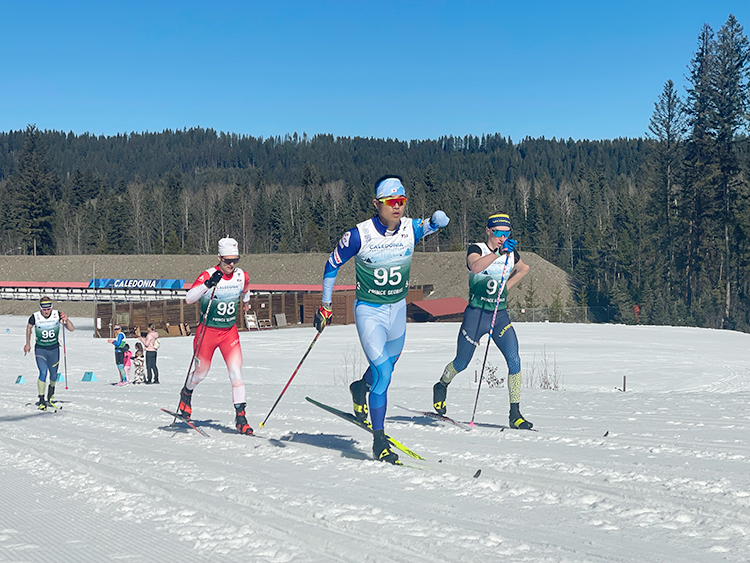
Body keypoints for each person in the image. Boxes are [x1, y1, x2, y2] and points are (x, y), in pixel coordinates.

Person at [314, 175, 449, 464]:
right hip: (370, 312)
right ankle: (379, 439)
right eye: (391, 202)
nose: (397, 207)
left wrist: (438, 221)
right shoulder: (359, 235)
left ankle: (359, 388)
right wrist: (325, 305)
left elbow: (429, 225)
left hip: (397, 310)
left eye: (401, 201)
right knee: (384, 374)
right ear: (377, 204)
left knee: (384, 370)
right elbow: (332, 264)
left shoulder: (410, 228)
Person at [432, 213, 533, 429]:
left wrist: (504, 288)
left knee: (515, 360)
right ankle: (441, 385)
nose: (502, 238)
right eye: (498, 233)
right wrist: (497, 253)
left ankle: (515, 414)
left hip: (499, 315)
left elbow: (523, 269)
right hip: (476, 316)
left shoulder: (509, 251)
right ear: (488, 231)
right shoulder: (476, 248)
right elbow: (475, 267)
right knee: (462, 362)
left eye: (506, 234)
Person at [177, 237, 253, 434]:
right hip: (207, 332)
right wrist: (208, 285)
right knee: (201, 373)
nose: (231, 264)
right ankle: (186, 393)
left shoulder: (241, 276)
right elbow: (189, 298)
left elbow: (246, 290)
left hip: (229, 332)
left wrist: (246, 302)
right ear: (219, 257)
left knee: (236, 374)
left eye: (235, 260)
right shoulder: (208, 275)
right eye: (227, 260)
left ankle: (241, 417)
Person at [23, 296, 75, 410]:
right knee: (43, 372)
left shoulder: (57, 314)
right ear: (40, 307)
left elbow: (71, 329)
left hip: (54, 350)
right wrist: (28, 343)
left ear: (51, 307)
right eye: (44, 308)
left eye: (48, 308)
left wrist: (67, 319)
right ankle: (41, 399)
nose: (46, 311)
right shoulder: (35, 316)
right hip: (41, 349)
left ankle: (50, 397)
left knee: (54, 375)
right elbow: (28, 328)